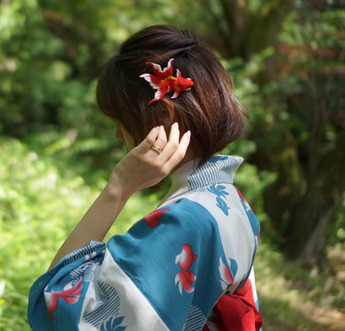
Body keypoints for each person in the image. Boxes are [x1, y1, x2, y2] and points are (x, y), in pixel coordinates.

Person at [27, 25, 262, 331]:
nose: (116, 134)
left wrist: (117, 188)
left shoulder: (186, 220)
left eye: (120, 121)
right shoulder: (233, 203)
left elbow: (56, 310)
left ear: (163, 118)